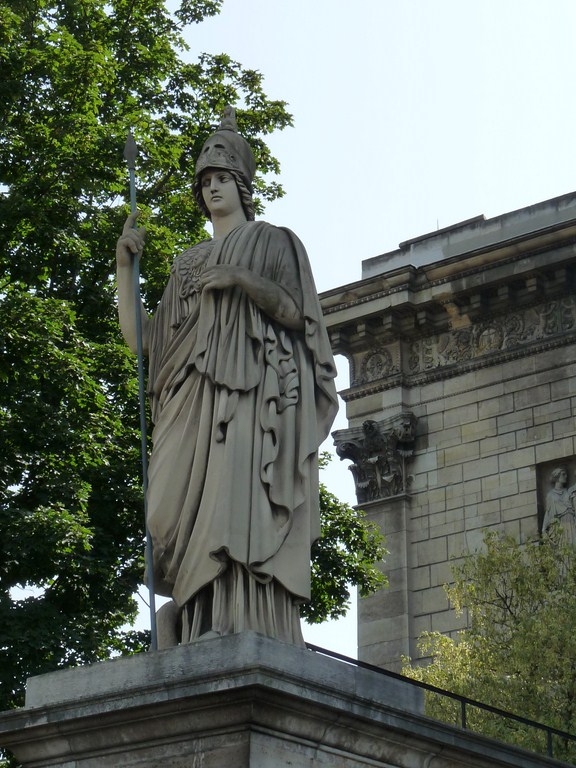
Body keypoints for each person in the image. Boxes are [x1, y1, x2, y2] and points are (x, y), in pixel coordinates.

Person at [116, 108, 338, 647]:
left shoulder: (273, 242)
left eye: (222, 179)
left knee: (239, 510)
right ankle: (192, 615)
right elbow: (145, 344)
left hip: (250, 399)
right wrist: (124, 269)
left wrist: (240, 279)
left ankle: (240, 618)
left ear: (241, 184)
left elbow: (295, 313)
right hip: (189, 399)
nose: (213, 188)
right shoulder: (187, 263)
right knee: (165, 513)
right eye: (206, 182)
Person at [542, 466, 576, 547]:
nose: (566, 476)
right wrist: (544, 529)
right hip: (559, 524)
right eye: (563, 474)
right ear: (557, 477)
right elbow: (548, 512)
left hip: (570, 521)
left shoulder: (569, 492)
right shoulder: (550, 495)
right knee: (562, 548)